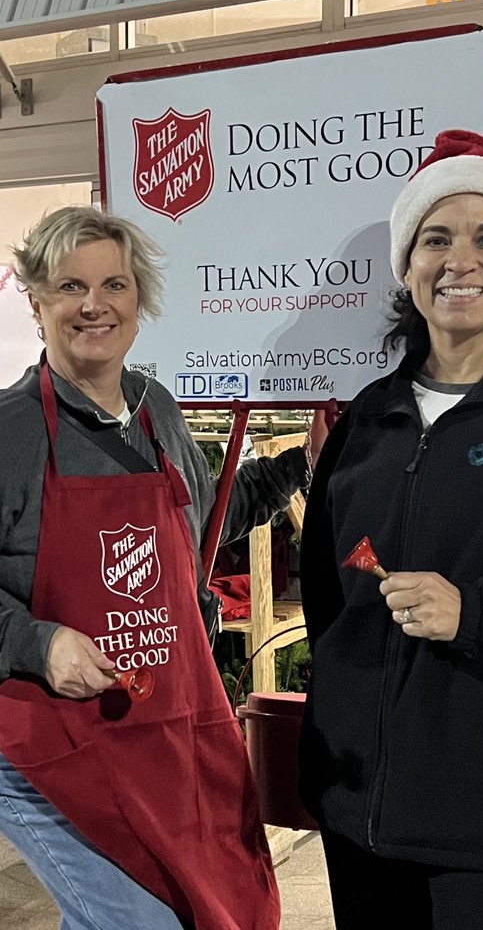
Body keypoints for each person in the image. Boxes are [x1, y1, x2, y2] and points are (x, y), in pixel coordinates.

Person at [0, 204, 315, 930]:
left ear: (138, 298)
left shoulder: (156, 410)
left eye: (114, 284)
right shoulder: (13, 432)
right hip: (48, 745)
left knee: (217, 902)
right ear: (37, 299)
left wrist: (299, 465)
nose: (93, 305)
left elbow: (204, 528)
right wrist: (38, 643)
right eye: (70, 286)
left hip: (167, 728)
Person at [299, 130, 483, 930]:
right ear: (406, 267)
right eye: (435, 239)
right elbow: (326, 598)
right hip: (360, 818)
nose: (460, 260)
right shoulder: (366, 417)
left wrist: (474, 613)